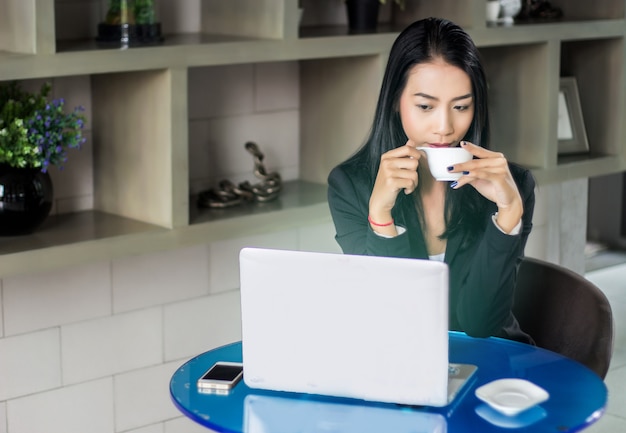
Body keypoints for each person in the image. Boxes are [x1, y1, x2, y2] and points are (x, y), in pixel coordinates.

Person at [327, 17, 535, 344]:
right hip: (400, 360)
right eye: (425, 106)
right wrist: (381, 215)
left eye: (461, 106)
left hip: (490, 364)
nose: (444, 126)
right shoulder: (351, 185)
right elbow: (393, 315)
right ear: (395, 101)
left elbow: (481, 324)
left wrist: (508, 213)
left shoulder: (512, 186)